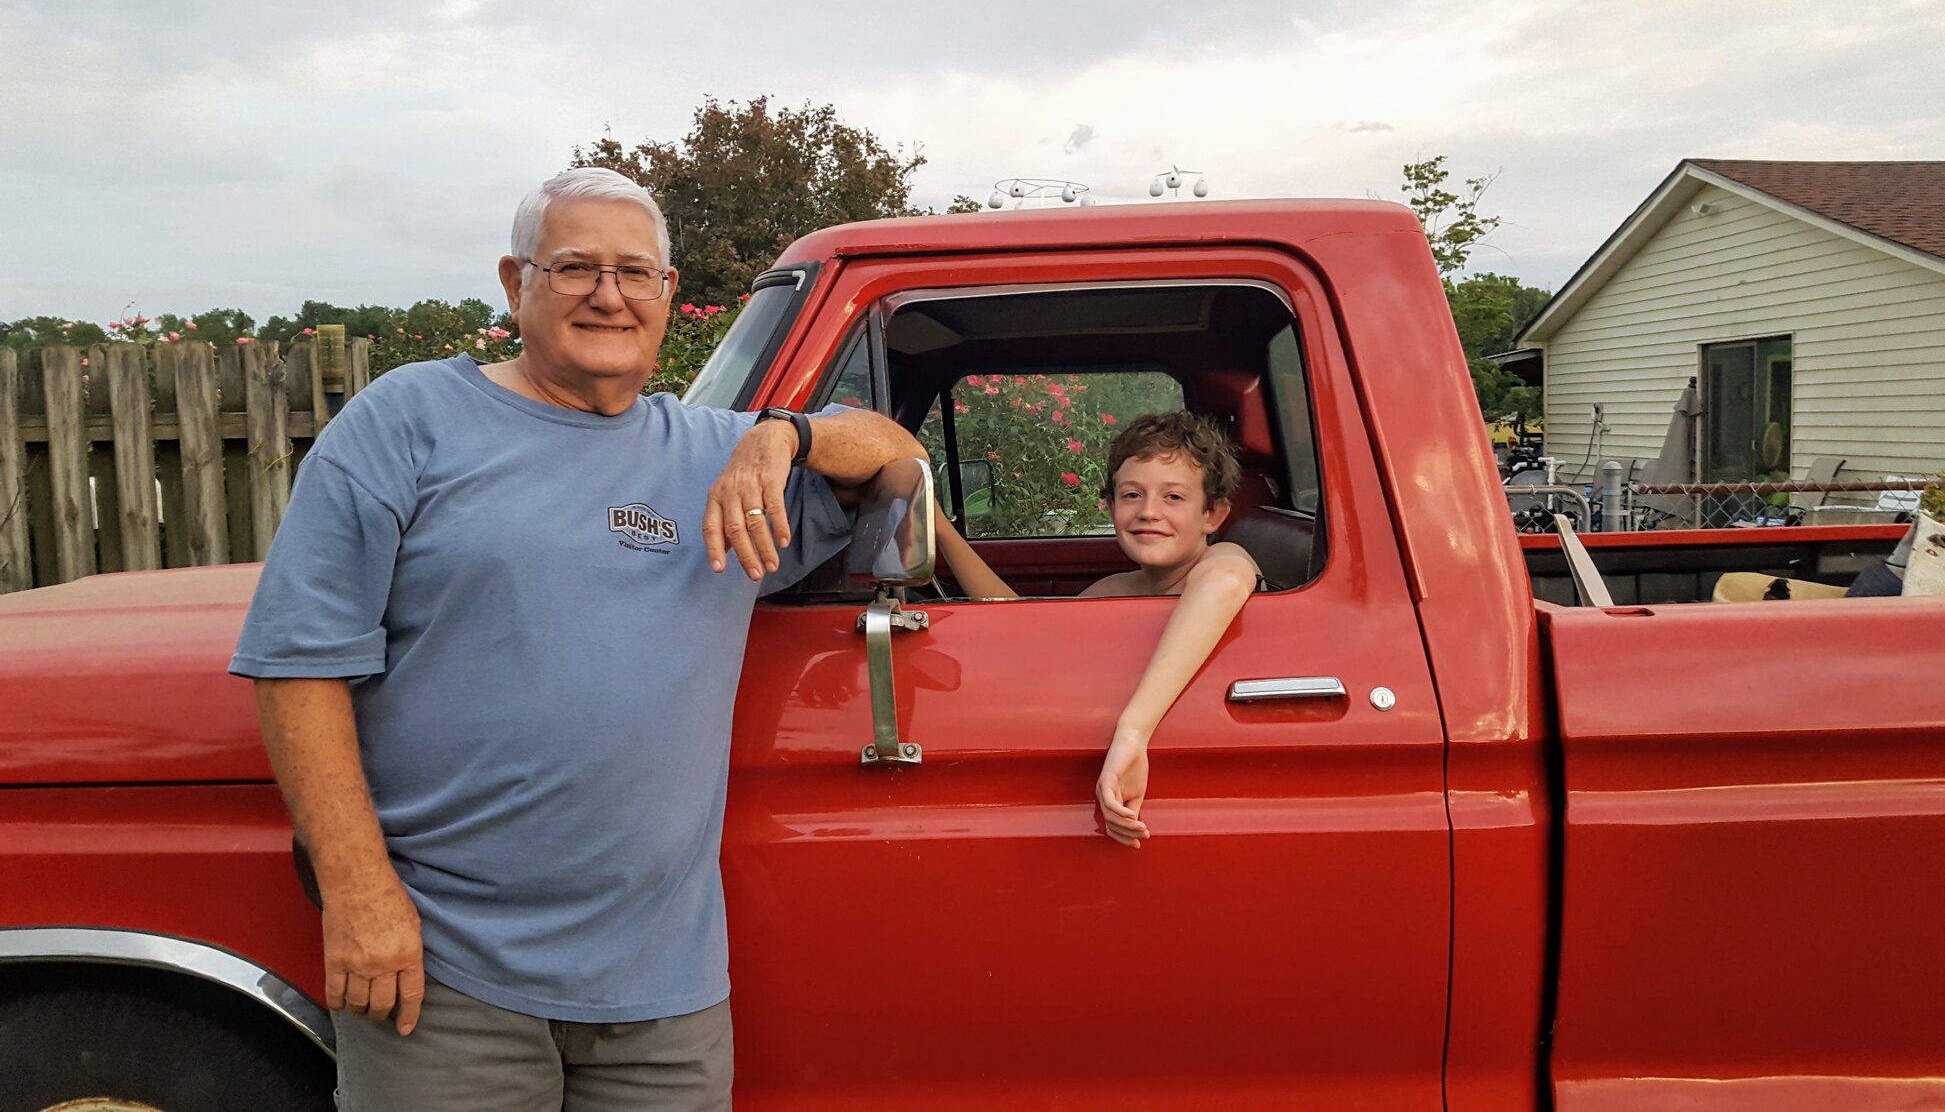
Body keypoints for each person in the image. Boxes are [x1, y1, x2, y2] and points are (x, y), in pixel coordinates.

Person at [228, 167, 924, 1111]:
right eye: (575, 267)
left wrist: (787, 436)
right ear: (516, 284)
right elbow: (301, 659)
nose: (609, 293)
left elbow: (897, 456)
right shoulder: (409, 421)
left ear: (669, 296)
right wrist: (358, 895)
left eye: (635, 272)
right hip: (443, 972)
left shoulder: (718, 452)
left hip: (663, 988)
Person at [933, 411, 1260, 849]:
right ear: (1110, 507)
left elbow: (1223, 584)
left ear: (1213, 515)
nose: (1148, 512)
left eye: (1174, 498)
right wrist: (939, 529)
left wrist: (1134, 731)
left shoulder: (1222, 562)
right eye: (1131, 495)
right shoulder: (1117, 589)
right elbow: (1021, 627)